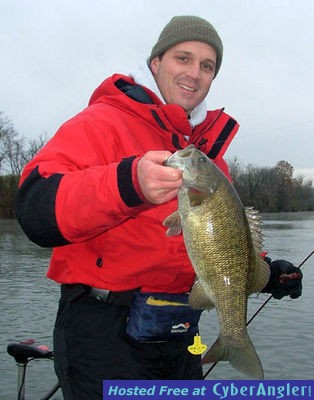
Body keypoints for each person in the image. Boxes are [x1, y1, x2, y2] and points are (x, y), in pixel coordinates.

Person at [15, 15, 302, 399]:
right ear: (155, 63)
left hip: (179, 332)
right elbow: (35, 209)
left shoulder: (208, 156)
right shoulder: (102, 122)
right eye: (183, 58)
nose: (194, 73)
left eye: (207, 65)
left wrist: (267, 273)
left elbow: (218, 245)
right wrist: (128, 182)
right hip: (105, 334)